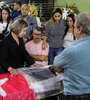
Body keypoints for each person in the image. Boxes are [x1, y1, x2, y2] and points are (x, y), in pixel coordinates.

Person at [54, 12, 90, 100]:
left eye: (74, 27)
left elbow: (56, 63)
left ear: (79, 29)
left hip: (76, 96)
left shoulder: (72, 50)